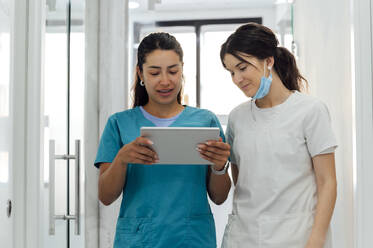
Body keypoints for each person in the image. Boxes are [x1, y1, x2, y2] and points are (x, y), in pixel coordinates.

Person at [94, 32, 231, 248]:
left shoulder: (205, 121)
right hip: (139, 240)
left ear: (182, 70)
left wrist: (220, 167)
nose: (165, 81)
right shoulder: (119, 124)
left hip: (192, 238)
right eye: (155, 72)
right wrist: (121, 159)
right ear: (140, 73)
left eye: (173, 71)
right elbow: (106, 196)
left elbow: (219, 197)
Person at [219, 23, 337, 248]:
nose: (237, 79)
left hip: (297, 236)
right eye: (231, 72)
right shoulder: (237, 118)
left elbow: (327, 181)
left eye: (243, 68)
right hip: (243, 237)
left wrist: (317, 239)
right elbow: (242, 181)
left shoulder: (310, 111)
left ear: (268, 61)